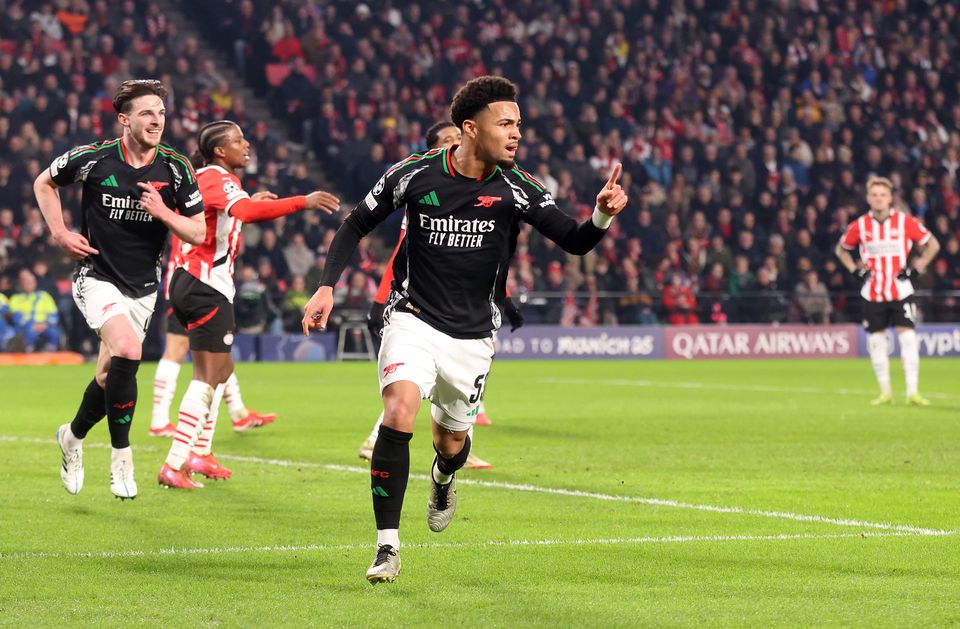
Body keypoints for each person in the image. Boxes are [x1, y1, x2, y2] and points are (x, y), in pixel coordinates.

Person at [302, 76, 628, 583]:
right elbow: (355, 224)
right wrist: (326, 287)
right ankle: (387, 545)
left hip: (474, 337)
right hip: (413, 317)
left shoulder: (518, 187)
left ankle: (442, 478)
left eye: (519, 124)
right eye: (506, 123)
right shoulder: (414, 173)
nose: (517, 133)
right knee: (399, 407)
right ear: (469, 129)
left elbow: (575, 240)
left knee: (450, 442)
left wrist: (601, 217)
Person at [34, 79, 206, 499]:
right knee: (129, 350)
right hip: (95, 275)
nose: (157, 120)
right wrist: (60, 232)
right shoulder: (94, 158)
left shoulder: (176, 168)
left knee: (108, 374)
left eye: (162, 113)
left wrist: (164, 212)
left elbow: (198, 231)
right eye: (147, 112)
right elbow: (45, 182)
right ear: (124, 119)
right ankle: (121, 458)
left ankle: (72, 438)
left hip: (143, 288)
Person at [157, 120, 339, 489]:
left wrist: (250, 202)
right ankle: (175, 463)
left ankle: (201, 452)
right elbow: (248, 215)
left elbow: (227, 216)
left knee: (221, 372)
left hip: (196, 282)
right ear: (220, 151)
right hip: (205, 284)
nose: (247, 145)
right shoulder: (216, 178)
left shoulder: (211, 179)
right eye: (238, 140)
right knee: (207, 377)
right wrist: (304, 201)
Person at [357, 120, 522, 470]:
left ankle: (447, 444)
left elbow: (486, 262)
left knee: (419, 388)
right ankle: (388, 440)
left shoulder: (480, 193)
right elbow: (402, 253)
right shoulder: (422, 195)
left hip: (469, 309)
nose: (456, 143)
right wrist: (379, 299)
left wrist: (504, 298)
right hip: (420, 309)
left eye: (457, 137)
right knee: (408, 389)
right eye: (447, 140)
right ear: (433, 148)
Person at [149, 234, 277, 438]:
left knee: (217, 350)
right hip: (192, 280)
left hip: (200, 280)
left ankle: (238, 412)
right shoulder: (192, 206)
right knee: (177, 350)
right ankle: (159, 420)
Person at [835, 176, 940, 406]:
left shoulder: (905, 222)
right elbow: (841, 249)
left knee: (909, 339)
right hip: (872, 292)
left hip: (900, 289)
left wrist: (917, 268)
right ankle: (885, 392)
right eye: (874, 195)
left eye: (883, 195)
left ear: (890, 198)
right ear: (868, 198)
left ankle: (912, 391)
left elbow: (933, 244)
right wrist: (855, 270)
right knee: (876, 341)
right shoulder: (860, 225)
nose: (879, 199)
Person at [9, 268, 61, 351]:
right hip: (26, 327)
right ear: (21, 284)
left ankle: (49, 355)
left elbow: (54, 314)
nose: (29, 284)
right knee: (30, 333)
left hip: (45, 326)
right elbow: (17, 318)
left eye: (31, 282)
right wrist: (31, 325)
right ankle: (28, 354)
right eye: (26, 282)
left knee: (55, 333)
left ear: (35, 283)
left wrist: (45, 324)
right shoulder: (15, 298)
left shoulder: (44, 296)